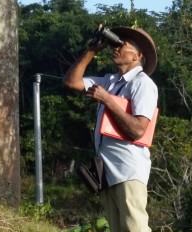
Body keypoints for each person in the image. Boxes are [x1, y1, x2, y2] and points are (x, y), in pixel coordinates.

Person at [63, 25, 158, 232]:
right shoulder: (110, 81)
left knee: (135, 229)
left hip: (128, 170)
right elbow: (71, 82)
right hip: (108, 172)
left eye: (121, 45)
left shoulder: (143, 84)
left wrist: (107, 100)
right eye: (115, 44)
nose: (115, 48)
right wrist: (92, 50)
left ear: (138, 55)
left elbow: (138, 130)